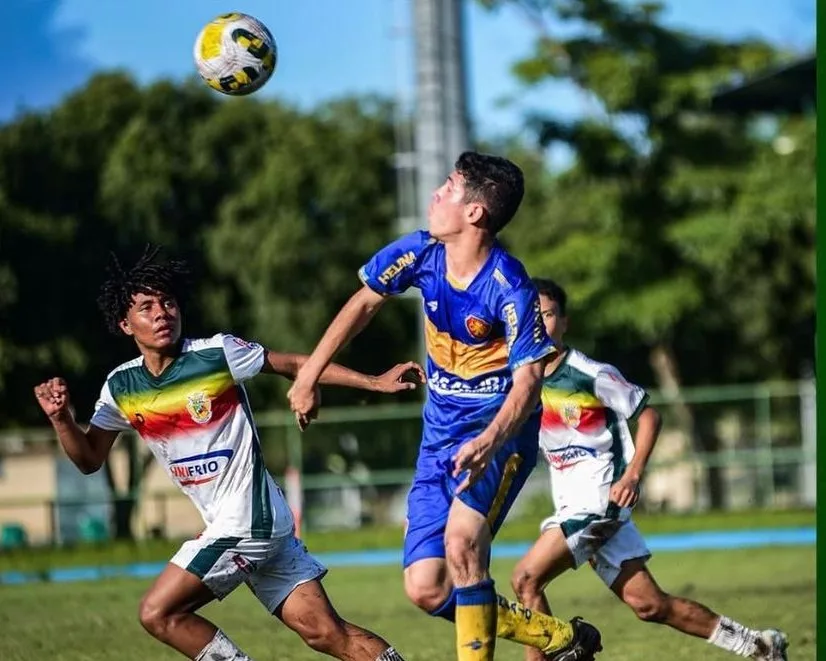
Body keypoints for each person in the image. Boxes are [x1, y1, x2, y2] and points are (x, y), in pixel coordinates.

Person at [33, 246, 420, 661]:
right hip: (251, 524)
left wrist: (374, 383)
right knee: (329, 634)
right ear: (125, 324)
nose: (162, 312)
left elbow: (292, 363)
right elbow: (90, 459)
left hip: (249, 520)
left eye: (168, 302)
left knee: (157, 612)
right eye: (147, 307)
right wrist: (62, 420)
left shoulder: (215, 353)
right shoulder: (120, 387)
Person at [287, 151, 602, 661]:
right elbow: (364, 301)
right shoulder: (421, 252)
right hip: (440, 436)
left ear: (474, 212)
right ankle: (561, 639)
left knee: (462, 548)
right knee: (427, 588)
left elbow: (527, 383)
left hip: (498, 436)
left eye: (449, 187)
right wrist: (309, 374)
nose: (435, 194)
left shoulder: (510, 286)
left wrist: (489, 440)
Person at [511, 277, 790, 661]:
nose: (541, 323)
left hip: (598, 500)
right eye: (533, 315)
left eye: (549, 313)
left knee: (526, 580)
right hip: (572, 505)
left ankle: (571, 646)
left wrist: (633, 474)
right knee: (650, 605)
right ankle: (759, 645)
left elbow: (649, 415)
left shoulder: (588, 373)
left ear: (565, 321)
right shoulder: (522, 379)